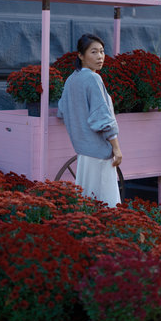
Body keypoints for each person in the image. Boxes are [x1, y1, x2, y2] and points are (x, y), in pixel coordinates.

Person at [57, 33, 122, 208]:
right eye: (94, 52)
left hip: (82, 151)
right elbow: (102, 117)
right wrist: (116, 148)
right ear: (80, 55)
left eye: (102, 51)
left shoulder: (71, 80)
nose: (100, 57)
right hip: (99, 151)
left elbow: (62, 110)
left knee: (87, 202)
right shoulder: (93, 79)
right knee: (107, 204)